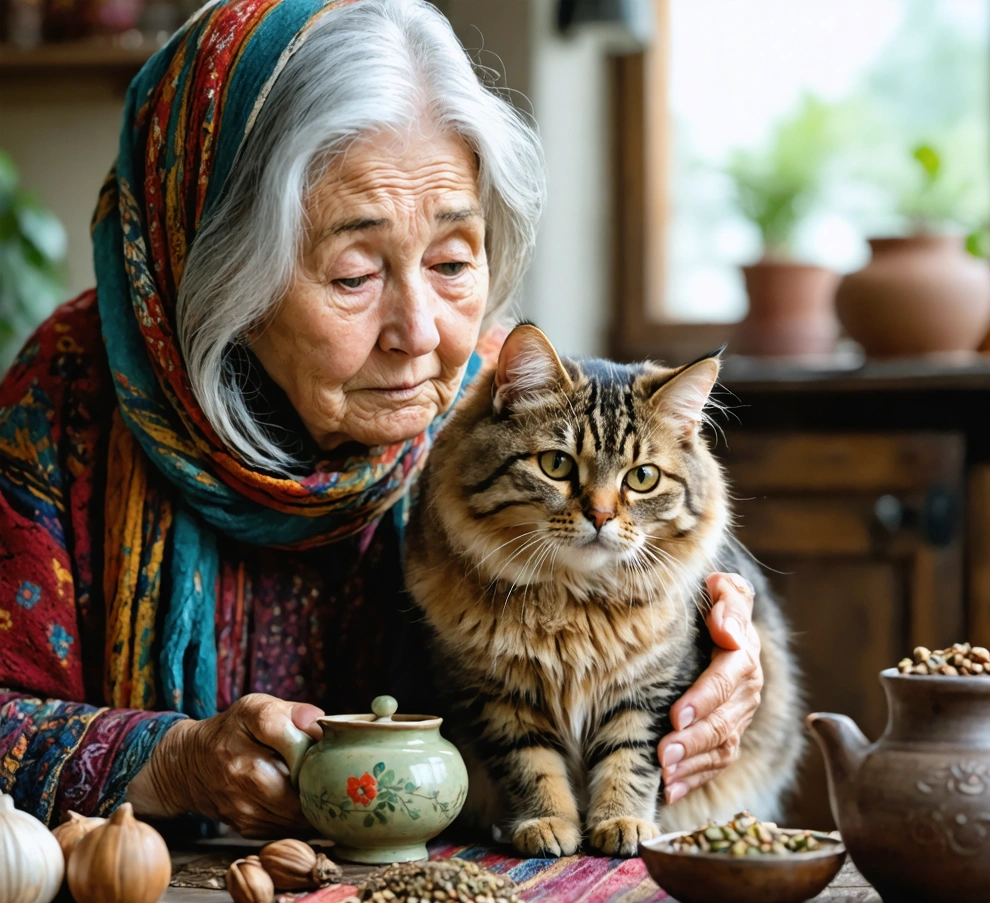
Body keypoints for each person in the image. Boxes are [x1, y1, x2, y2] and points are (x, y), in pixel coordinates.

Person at [0, 0, 764, 838]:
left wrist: (731, 654)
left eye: (451, 261)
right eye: (355, 273)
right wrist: (172, 761)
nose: (423, 335)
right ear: (216, 271)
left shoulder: (494, 398)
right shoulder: (64, 399)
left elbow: (672, 523)